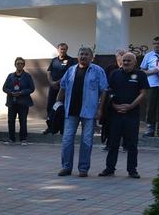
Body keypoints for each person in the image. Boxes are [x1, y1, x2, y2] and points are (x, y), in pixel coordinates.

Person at [57, 46, 108, 177]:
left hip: (89, 112)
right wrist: (57, 104)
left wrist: (100, 109)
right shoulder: (71, 70)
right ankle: (66, 167)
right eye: (81, 54)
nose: (83, 56)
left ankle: (83, 168)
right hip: (71, 111)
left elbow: (104, 91)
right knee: (67, 139)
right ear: (77, 56)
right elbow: (62, 87)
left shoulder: (98, 71)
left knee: (86, 141)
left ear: (91, 57)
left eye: (86, 54)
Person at [98, 52, 148, 178]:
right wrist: (114, 105)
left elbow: (143, 93)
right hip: (115, 114)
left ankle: (132, 170)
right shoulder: (114, 74)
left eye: (128, 60)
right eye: (124, 60)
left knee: (132, 144)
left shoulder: (140, 75)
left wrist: (130, 106)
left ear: (134, 62)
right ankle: (109, 168)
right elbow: (108, 91)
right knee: (113, 142)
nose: (125, 62)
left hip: (132, 114)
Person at [3, 57, 34, 145]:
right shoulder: (10, 76)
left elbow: (32, 88)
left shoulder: (27, 76)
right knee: (11, 120)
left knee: (23, 120)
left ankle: (23, 139)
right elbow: (4, 88)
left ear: (24, 65)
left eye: (21, 63)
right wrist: (11, 92)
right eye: (18, 63)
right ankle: (11, 138)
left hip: (23, 102)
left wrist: (21, 92)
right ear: (15, 65)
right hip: (12, 102)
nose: (19, 65)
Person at [44, 43, 73, 134]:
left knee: (62, 108)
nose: (62, 51)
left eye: (64, 49)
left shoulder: (70, 60)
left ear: (67, 50)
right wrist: (51, 82)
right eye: (61, 49)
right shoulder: (54, 60)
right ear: (58, 49)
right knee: (50, 107)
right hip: (53, 88)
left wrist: (57, 82)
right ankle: (50, 127)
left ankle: (62, 128)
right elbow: (49, 72)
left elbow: (68, 74)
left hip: (64, 89)